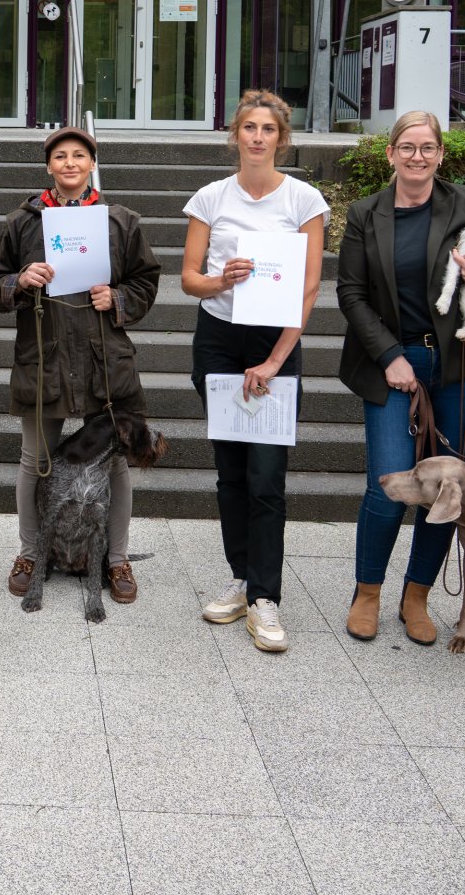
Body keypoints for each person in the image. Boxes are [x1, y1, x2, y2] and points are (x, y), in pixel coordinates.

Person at [337, 111, 465, 645]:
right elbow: (350, 293)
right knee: (390, 482)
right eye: (407, 146)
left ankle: (416, 595)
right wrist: (389, 355)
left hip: (464, 366)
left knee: (449, 488)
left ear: (441, 154)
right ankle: (367, 591)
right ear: (391, 152)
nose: (417, 156)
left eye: (427, 147)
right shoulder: (365, 213)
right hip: (392, 364)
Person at [0, 127, 161, 603]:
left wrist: (118, 296)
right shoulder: (23, 221)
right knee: (34, 460)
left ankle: (117, 559)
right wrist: (20, 279)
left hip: (106, 361)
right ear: (48, 166)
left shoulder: (120, 220)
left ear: (91, 163)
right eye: (60, 156)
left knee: (117, 462)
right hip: (45, 357)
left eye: (79, 156)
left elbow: (146, 280)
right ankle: (29, 551)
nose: (69, 164)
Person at [182, 89, 327, 653]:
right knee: (230, 473)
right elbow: (190, 278)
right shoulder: (210, 198)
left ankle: (267, 597)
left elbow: (310, 286)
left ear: (281, 138)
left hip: (276, 341)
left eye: (268, 129)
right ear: (235, 136)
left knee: (267, 476)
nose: (258, 137)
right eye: (249, 127)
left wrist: (273, 361)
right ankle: (241, 578)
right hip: (218, 338)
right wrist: (224, 279)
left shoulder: (304, 200)